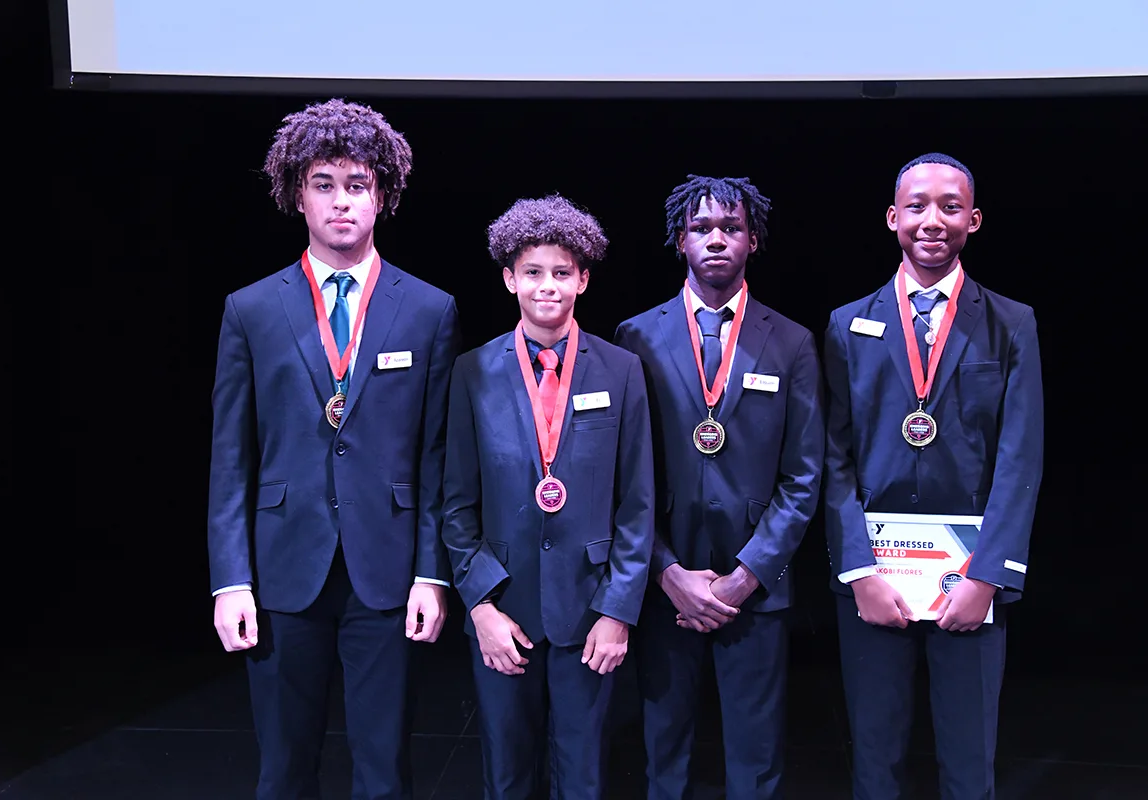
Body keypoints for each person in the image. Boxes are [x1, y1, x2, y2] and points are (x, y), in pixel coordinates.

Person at [206, 98, 460, 800]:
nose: (341, 202)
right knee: (284, 770)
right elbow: (232, 457)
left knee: (385, 772)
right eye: (324, 184)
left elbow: (437, 461)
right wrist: (231, 581)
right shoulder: (251, 309)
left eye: (357, 185)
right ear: (296, 193)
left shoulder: (430, 308)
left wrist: (432, 576)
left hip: (388, 571)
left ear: (384, 195)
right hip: (283, 570)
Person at [823, 152, 1044, 799]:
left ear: (973, 220)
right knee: (875, 761)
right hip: (875, 582)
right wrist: (858, 572)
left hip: (968, 581)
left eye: (950, 206)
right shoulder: (847, 324)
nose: (932, 219)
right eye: (917, 205)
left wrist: (987, 575)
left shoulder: (1011, 323)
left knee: (969, 765)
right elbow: (832, 458)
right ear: (893, 218)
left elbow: (1021, 455)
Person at [614, 175, 824, 800]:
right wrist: (665, 571)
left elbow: (804, 474)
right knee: (663, 750)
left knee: (756, 760)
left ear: (752, 240)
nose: (716, 239)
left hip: (754, 590)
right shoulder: (636, 336)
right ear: (680, 239)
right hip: (664, 584)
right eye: (702, 228)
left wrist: (747, 575)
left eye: (731, 228)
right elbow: (623, 474)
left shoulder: (791, 342)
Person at [441, 195, 654, 799]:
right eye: (532, 272)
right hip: (504, 606)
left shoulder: (621, 370)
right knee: (506, 775)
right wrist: (480, 606)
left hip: (590, 613)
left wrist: (617, 611)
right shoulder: (472, 371)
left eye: (562, 272)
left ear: (583, 279)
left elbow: (636, 503)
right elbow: (455, 505)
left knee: (583, 777)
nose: (547, 287)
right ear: (509, 278)